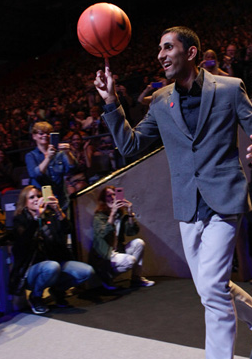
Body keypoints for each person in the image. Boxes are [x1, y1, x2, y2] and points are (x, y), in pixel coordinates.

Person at [94, 25, 252, 359]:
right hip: (187, 208)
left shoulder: (229, 89)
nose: (161, 55)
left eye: (168, 47)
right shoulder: (160, 101)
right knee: (213, 287)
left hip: (224, 202)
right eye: (159, 49)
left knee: (212, 290)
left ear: (191, 52)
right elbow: (130, 147)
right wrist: (111, 103)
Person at [10, 186, 94, 314]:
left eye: (38, 196)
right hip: (31, 269)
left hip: (55, 263)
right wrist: (36, 218)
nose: (36, 199)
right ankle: (36, 296)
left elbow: (68, 229)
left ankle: (57, 290)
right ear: (25, 202)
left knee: (87, 272)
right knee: (51, 266)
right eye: (31, 197)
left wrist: (58, 210)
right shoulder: (20, 219)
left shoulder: (49, 215)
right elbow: (23, 243)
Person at [91, 185, 154, 288]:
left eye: (114, 195)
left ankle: (136, 279)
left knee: (139, 243)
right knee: (130, 261)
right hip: (105, 254)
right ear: (103, 199)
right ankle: (105, 278)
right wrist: (112, 213)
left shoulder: (120, 215)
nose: (112, 198)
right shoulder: (99, 216)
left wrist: (129, 213)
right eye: (108, 196)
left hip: (118, 250)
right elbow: (103, 234)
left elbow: (131, 232)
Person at [25, 121, 78, 210]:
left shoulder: (60, 154)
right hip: (41, 202)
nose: (45, 135)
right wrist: (48, 158)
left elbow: (73, 169)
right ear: (34, 136)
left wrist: (68, 153)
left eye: (48, 133)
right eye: (41, 133)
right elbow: (35, 174)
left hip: (61, 200)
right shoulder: (31, 156)